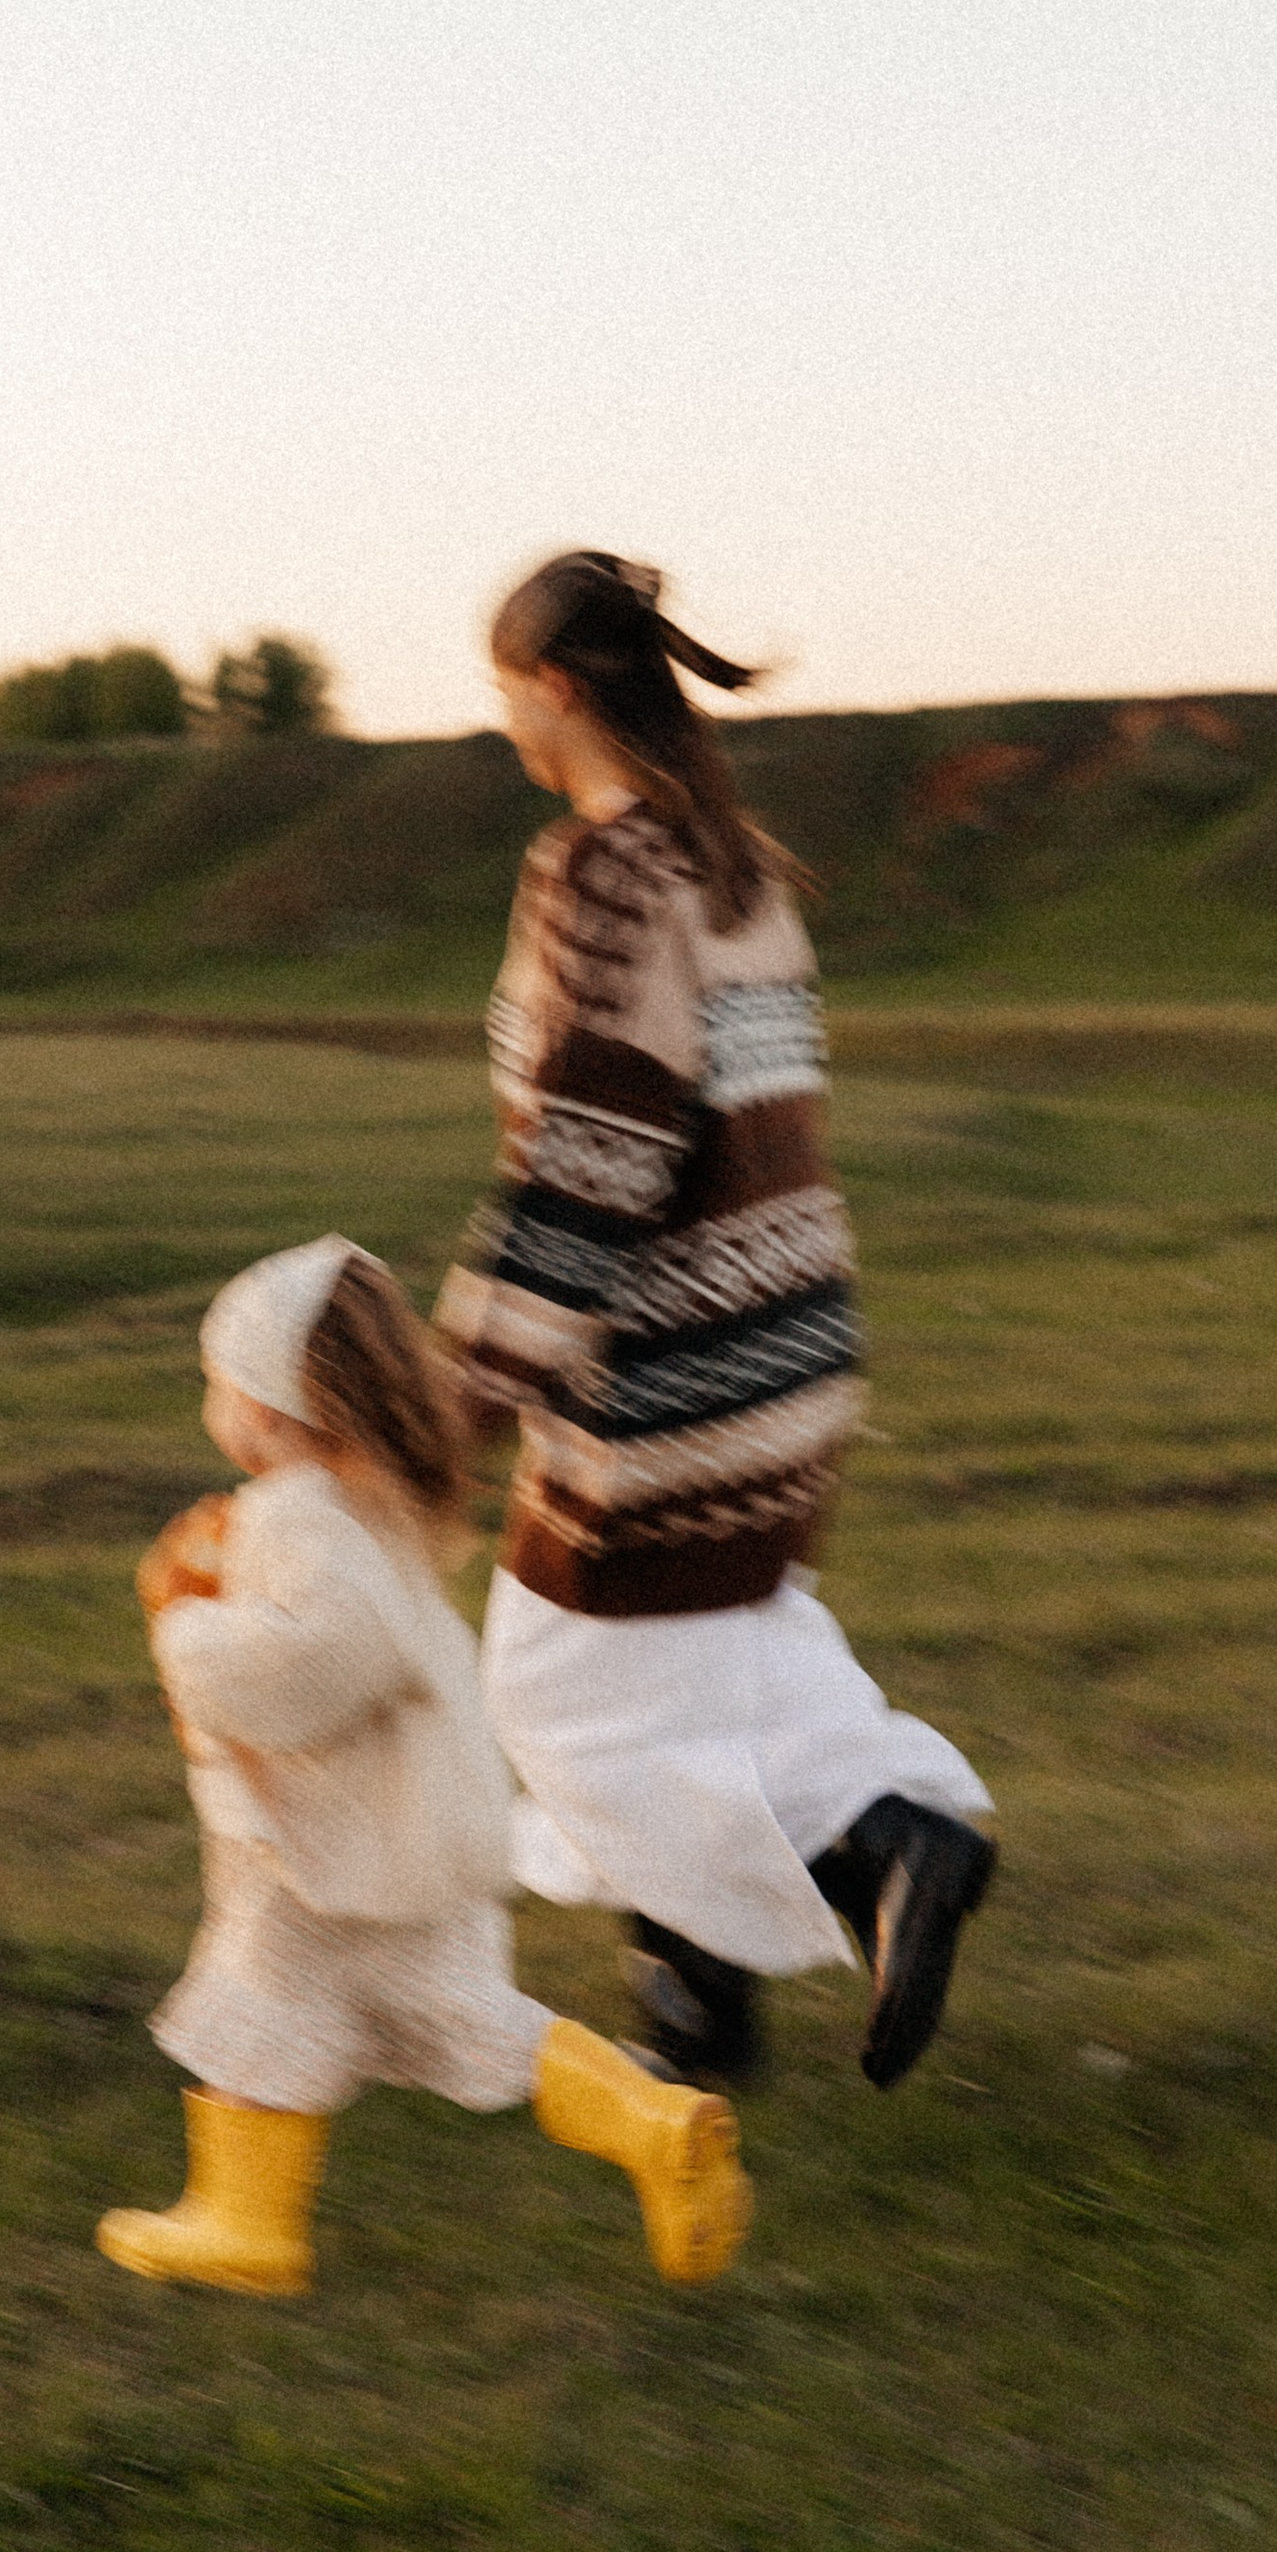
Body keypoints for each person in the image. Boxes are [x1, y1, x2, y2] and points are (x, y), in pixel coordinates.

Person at [434, 551, 995, 2092]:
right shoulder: (731, 866)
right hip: (792, 1348)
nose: (501, 725)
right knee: (722, 1665)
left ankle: (881, 1844)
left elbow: (590, 1159)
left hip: (669, 1373)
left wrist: (464, 1383)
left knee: (561, 1699)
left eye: (501, 693)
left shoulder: (606, 869)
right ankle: (700, 2026)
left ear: (550, 687)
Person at [95, 1235, 753, 2298]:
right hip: (411, 1822)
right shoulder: (373, 1503)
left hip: (328, 1837)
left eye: (214, 1382)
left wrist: (188, 1627)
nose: (211, 1403)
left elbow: (323, 1655)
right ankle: (650, 2120)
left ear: (268, 1407)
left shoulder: (293, 1515)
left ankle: (246, 2224)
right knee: (462, 2017)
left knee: (257, 1995)